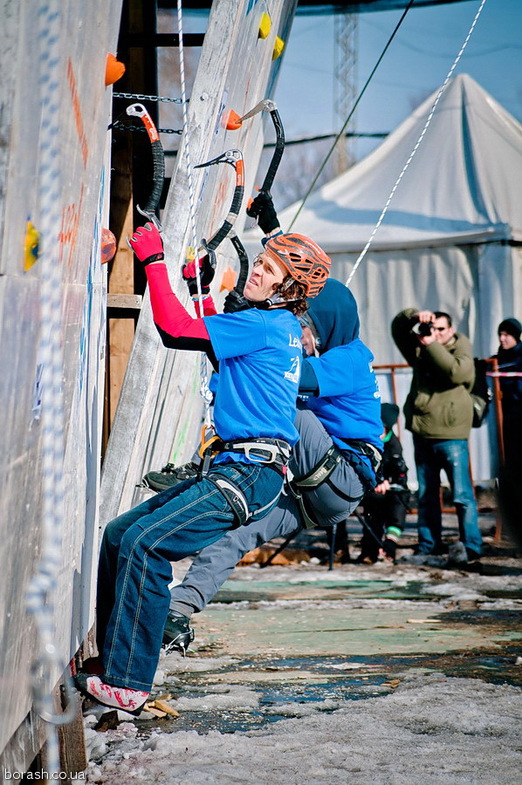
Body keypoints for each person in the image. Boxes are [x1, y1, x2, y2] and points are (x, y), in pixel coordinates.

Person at [74, 220, 331, 715]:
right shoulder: (272, 324)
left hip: (247, 473)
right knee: (119, 533)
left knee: (146, 545)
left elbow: (175, 330)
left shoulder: (262, 324)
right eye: (259, 263)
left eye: (268, 270)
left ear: (289, 287)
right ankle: (114, 665)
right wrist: (204, 284)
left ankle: (128, 682)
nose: (256, 272)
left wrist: (152, 261)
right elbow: (211, 327)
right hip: (239, 468)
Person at [163, 274, 384, 653]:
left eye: (302, 329)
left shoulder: (350, 358)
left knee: (281, 406)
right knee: (235, 535)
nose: (296, 338)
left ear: (326, 327)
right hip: (313, 491)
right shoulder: (325, 348)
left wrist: (251, 328)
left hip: (342, 475)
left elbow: (281, 376)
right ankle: (177, 610)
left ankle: (207, 466)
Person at [391, 308, 483, 564]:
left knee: (462, 494)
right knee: (427, 494)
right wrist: (413, 316)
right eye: (433, 327)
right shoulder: (421, 348)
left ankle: (471, 545)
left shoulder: (460, 348)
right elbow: (397, 329)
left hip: (452, 433)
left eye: (442, 329)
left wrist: (432, 344)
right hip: (423, 431)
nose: (435, 332)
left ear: (451, 331)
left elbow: (456, 373)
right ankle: (429, 544)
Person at [357, 402, 409, 564]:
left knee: (398, 502)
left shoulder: (393, 445)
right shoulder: (366, 440)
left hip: (390, 489)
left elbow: (398, 471)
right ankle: (369, 550)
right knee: (373, 516)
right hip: (370, 488)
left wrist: (388, 481)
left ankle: (390, 542)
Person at [494, 318, 522, 546]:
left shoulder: (519, 357)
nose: (503, 339)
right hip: (505, 421)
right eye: (500, 334)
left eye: (507, 334)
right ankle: (507, 521)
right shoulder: (499, 358)